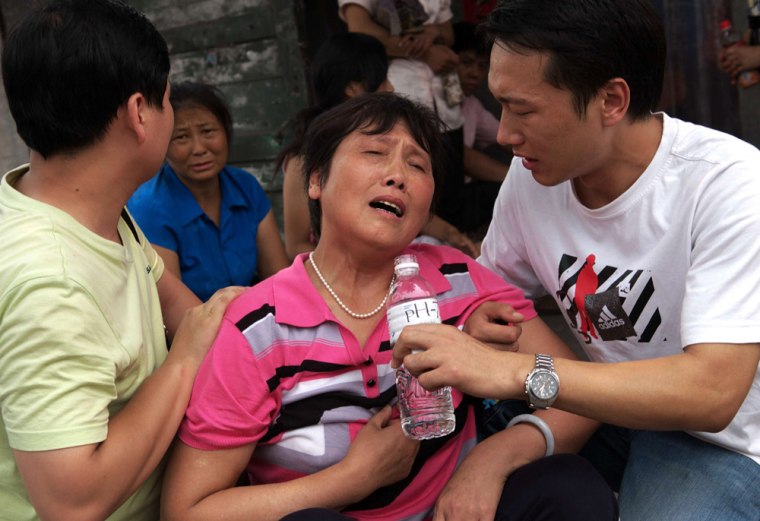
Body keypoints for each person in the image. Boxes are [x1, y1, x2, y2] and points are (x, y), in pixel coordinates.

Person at [160, 93, 618, 521]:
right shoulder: (256, 329)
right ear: (316, 180)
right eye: (374, 153)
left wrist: (490, 461)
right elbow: (189, 510)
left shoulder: (459, 281)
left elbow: (579, 396)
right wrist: (349, 480)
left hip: (454, 510)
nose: (397, 175)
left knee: (568, 487)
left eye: (417, 164)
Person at [391, 1, 760, 520]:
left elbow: (714, 391)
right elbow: (487, 292)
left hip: (712, 436)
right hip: (600, 411)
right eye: (499, 105)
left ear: (610, 100)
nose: (503, 134)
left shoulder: (728, 184)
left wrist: (515, 371)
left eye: (523, 109)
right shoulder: (533, 177)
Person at [0, 1, 242, 520]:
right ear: (139, 113)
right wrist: (185, 358)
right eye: (169, 99)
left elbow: (183, 309)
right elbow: (71, 503)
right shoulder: (53, 281)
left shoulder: (77, 203)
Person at [279, 31, 477, 259]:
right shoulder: (303, 160)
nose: (391, 88)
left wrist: (451, 234)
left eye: (416, 165)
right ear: (354, 89)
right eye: (383, 79)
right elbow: (296, 245)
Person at [339, 1, 496, 240]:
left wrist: (433, 34)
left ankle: (451, 260)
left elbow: (447, 31)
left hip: (444, 98)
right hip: (403, 93)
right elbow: (359, 27)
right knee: (406, 191)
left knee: (449, 198)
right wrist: (425, 52)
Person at [128, 81, 289, 302]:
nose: (199, 148)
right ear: (164, 143)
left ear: (226, 131)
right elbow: (174, 309)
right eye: (182, 137)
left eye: (208, 131)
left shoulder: (246, 187)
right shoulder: (149, 207)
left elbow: (280, 280)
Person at [452, 21, 509, 187]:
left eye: (482, 66)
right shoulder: (430, 98)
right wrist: (520, 183)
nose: (475, 74)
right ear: (448, 60)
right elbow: (461, 157)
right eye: (466, 62)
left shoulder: (472, 105)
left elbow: (507, 140)